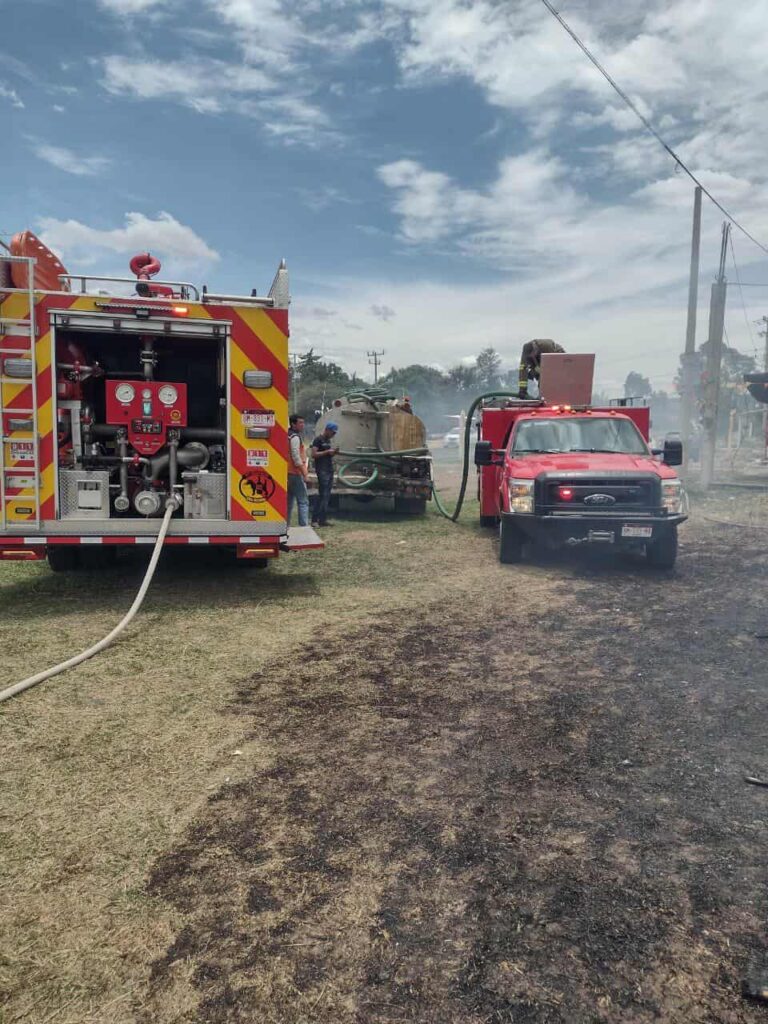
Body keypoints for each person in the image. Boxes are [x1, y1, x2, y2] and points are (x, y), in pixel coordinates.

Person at [311, 421, 339, 527]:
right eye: (332, 432)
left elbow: (327, 455)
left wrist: (333, 453)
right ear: (327, 430)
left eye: (335, 433)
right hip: (322, 470)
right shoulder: (318, 440)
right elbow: (314, 454)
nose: (333, 434)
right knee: (322, 495)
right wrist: (327, 452)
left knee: (327, 495)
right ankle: (314, 520)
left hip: (329, 469)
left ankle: (322, 520)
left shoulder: (328, 440)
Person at [287, 413, 309, 527]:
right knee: (303, 501)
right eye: (300, 422)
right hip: (296, 473)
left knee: (288, 502)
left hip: (287, 472)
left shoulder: (287, 435)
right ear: (293, 424)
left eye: (303, 422)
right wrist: (304, 473)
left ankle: (285, 525)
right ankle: (304, 527)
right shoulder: (295, 437)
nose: (302, 425)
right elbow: (296, 457)